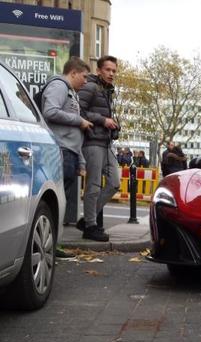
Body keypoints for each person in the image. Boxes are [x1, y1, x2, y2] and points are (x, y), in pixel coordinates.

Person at [41, 56, 93, 258]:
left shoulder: (72, 92)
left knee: (61, 201)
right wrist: (79, 120)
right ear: (73, 73)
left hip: (68, 152)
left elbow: (74, 134)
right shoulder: (59, 86)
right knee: (57, 201)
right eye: (84, 76)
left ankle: (53, 244)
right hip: (60, 151)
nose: (86, 81)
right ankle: (52, 245)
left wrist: (80, 161)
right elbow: (50, 111)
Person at [76, 55, 120, 242]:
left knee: (114, 182)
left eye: (114, 71)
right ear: (99, 70)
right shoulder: (90, 86)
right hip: (93, 141)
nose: (111, 74)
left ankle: (86, 220)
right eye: (108, 70)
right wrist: (103, 120)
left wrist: (113, 124)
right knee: (93, 185)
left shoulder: (106, 91)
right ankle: (91, 226)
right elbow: (79, 111)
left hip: (106, 142)